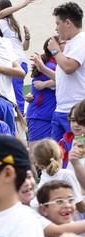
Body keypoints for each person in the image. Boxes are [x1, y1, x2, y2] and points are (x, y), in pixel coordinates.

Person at [47, 2, 85, 141]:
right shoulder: (69, 44)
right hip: (61, 109)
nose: (56, 28)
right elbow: (63, 75)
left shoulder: (82, 40)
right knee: (56, 157)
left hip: (76, 111)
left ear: (67, 22)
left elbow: (69, 67)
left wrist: (55, 50)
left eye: (58, 23)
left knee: (78, 154)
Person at [0, 0, 33, 114]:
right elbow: (24, 48)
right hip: (21, 63)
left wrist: (24, 3)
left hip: (16, 62)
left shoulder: (1, 22)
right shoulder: (11, 25)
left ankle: (21, 119)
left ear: (0, 9)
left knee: (16, 96)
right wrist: (27, 38)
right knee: (13, 94)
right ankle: (18, 117)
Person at [27, 39, 58, 143]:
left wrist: (45, 84)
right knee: (38, 153)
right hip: (42, 115)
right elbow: (66, 80)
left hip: (43, 114)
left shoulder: (48, 64)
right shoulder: (51, 65)